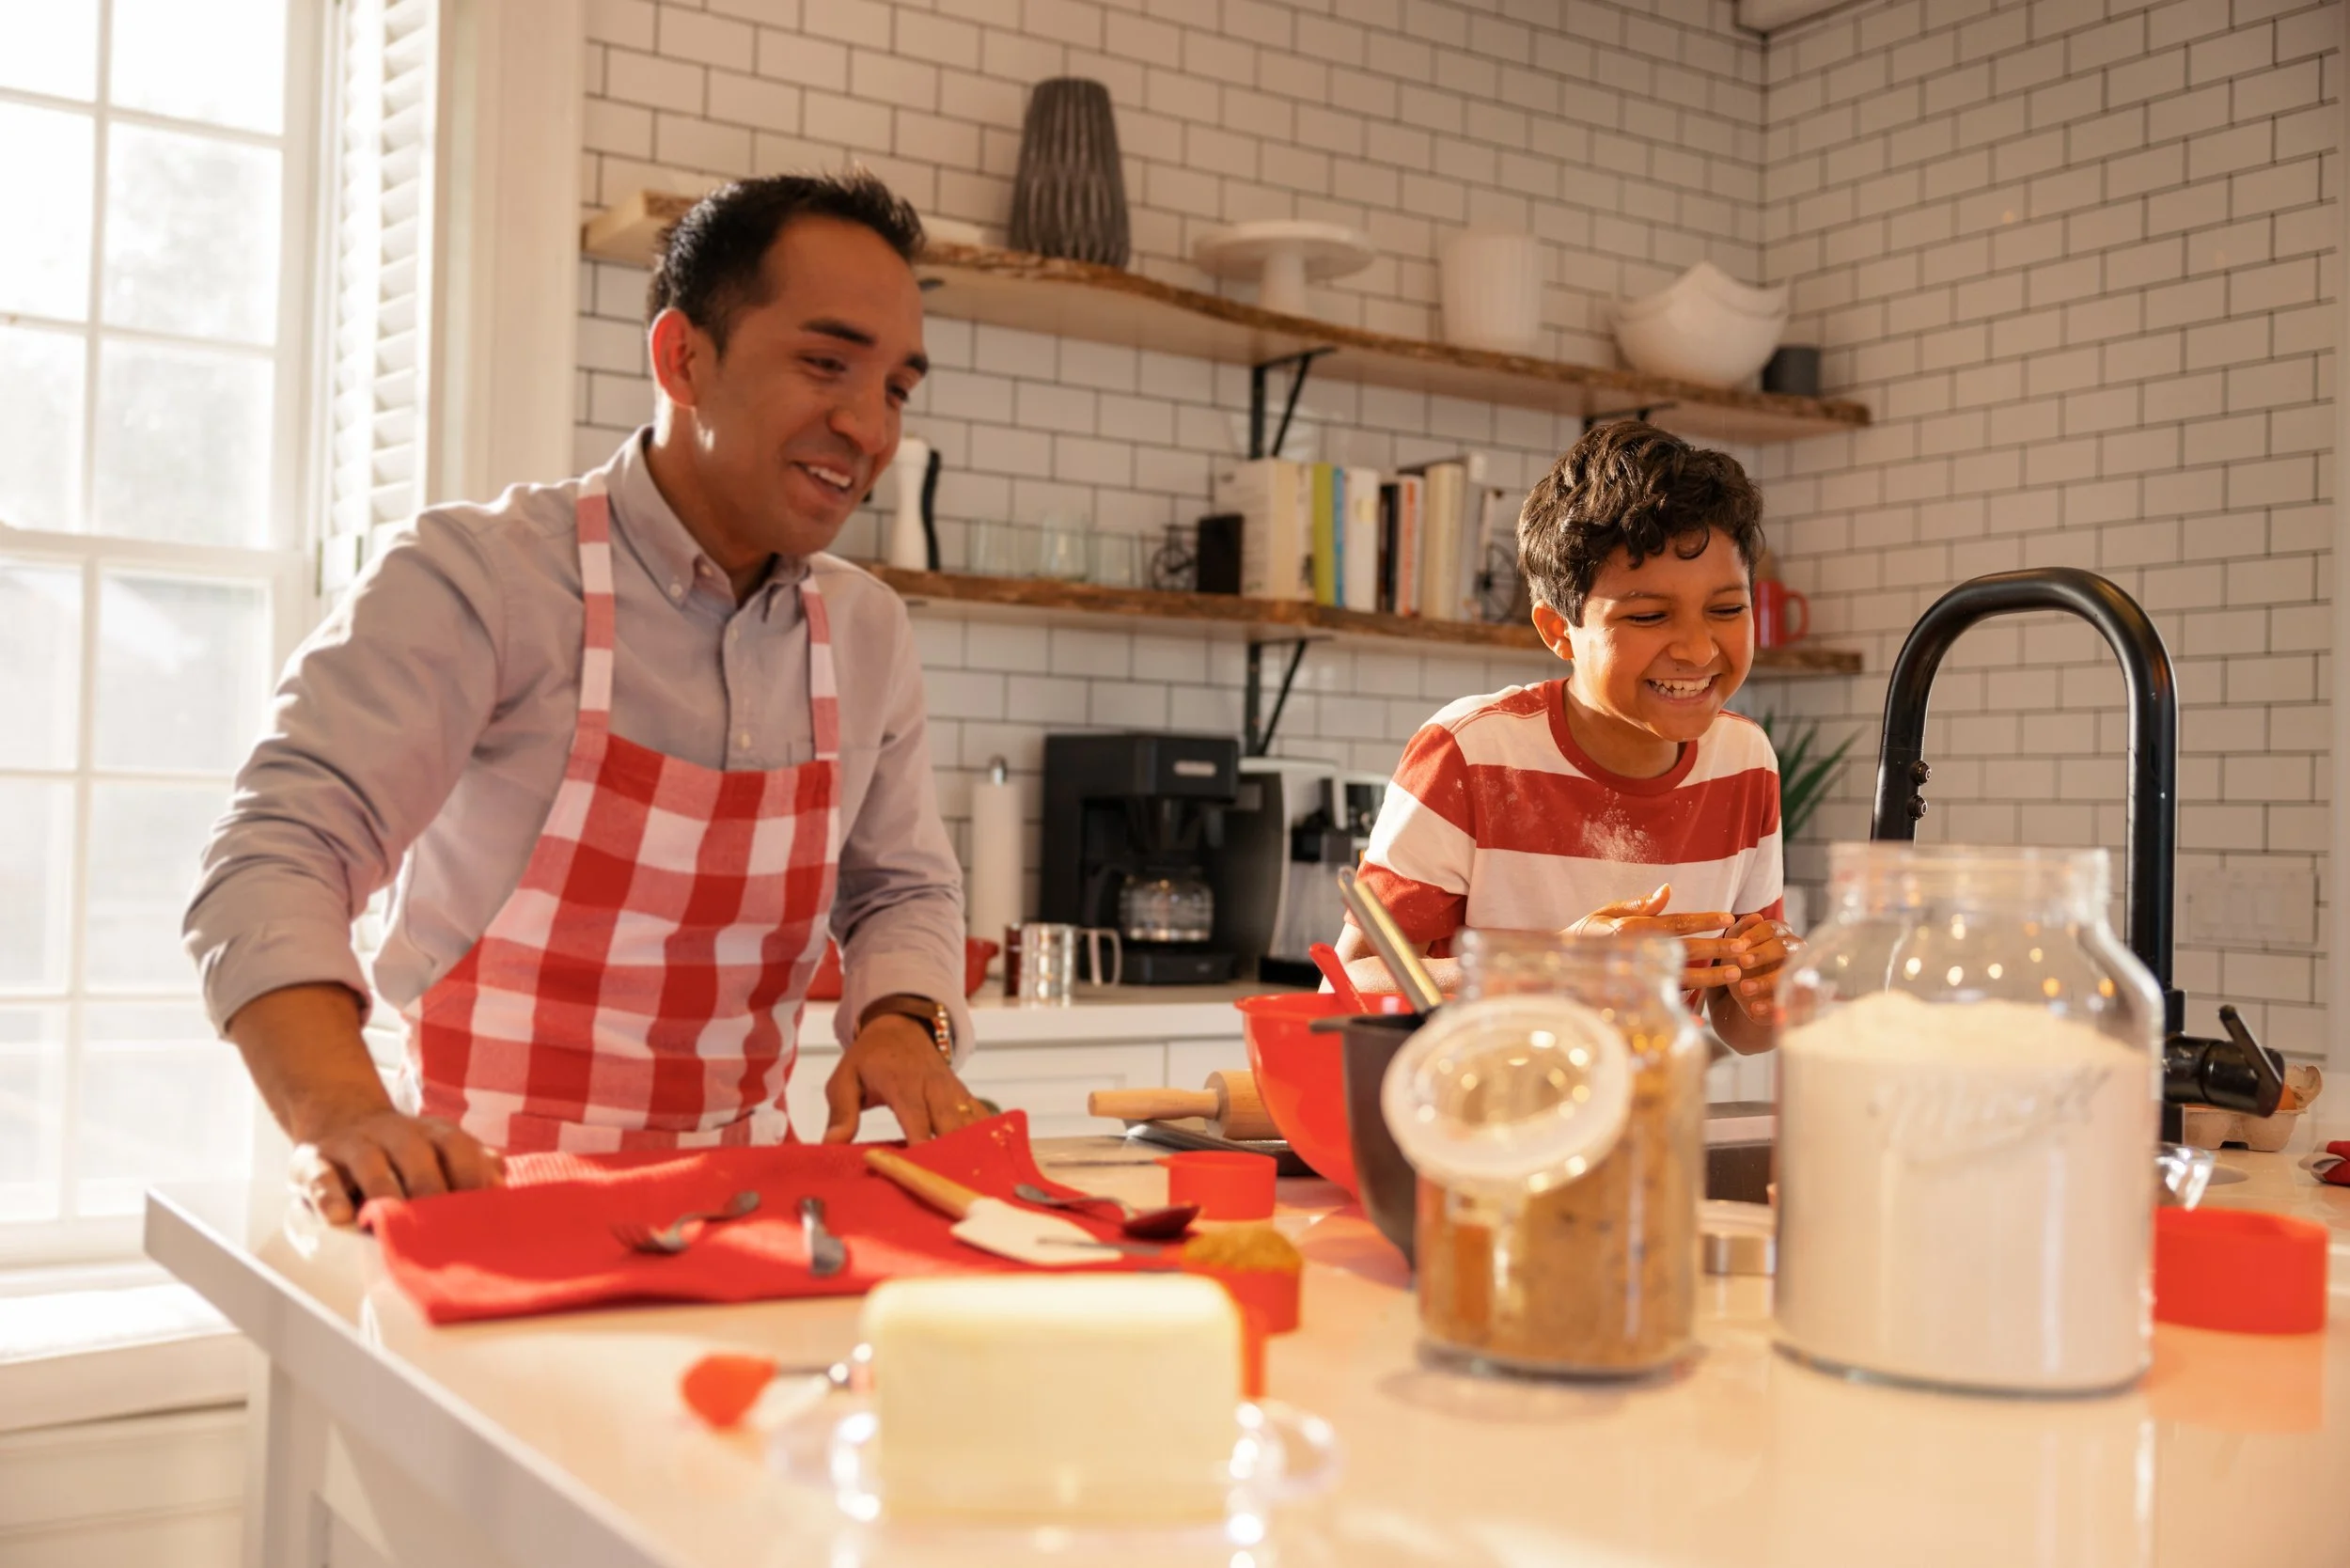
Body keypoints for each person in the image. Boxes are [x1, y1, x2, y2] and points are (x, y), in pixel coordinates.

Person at [186, 171, 987, 1222]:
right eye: (826, 363)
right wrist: (343, 1116)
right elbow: (277, 851)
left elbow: (901, 889)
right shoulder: (482, 580)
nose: (869, 428)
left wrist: (902, 1019)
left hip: (755, 1221)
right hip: (480, 1206)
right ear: (681, 357)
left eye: (896, 389)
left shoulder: (868, 630)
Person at [1336, 420, 1793, 1053]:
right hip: (1476, 1121)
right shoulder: (1469, 753)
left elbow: (1742, 1028)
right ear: (1557, 630)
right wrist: (1553, 969)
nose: (1696, 648)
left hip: (1643, 1124)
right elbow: (1352, 981)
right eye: (1649, 616)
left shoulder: (1744, 761)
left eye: (1726, 609)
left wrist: (1770, 986)